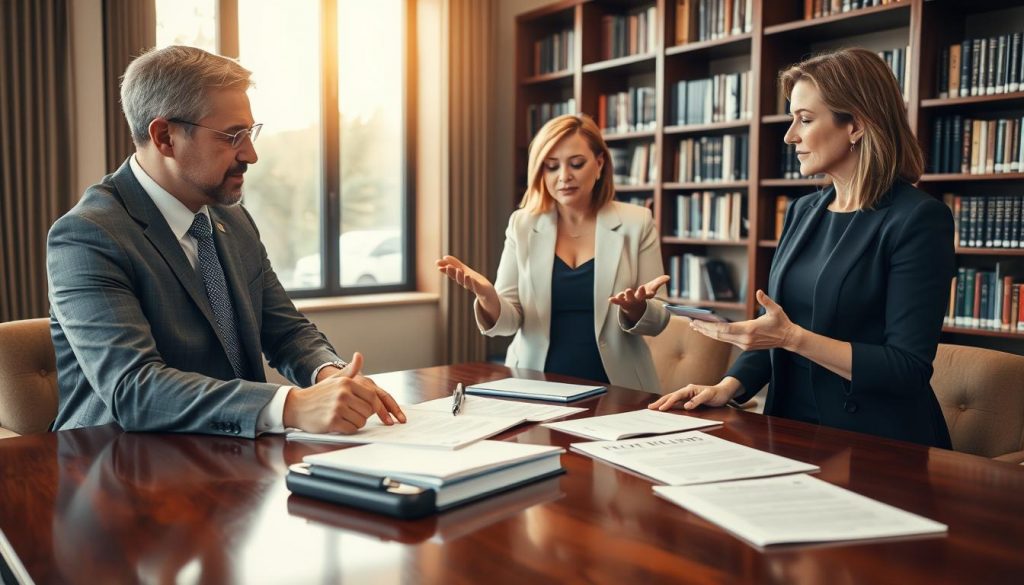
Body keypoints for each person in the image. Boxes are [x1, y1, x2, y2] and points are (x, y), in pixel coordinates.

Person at [47, 45, 405, 437]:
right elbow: (133, 390)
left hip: (232, 454)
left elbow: (286, 331)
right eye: (232, 136)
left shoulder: (231, 218)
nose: (250, 154)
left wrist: (330, 375)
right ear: (165, 137)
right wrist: (290, 405)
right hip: (118, 463)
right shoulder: (87, 236)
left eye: (250, 133)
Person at [651, 48, 954, 448]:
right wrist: (728, 387)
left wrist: (792, 338)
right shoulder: (802, 211)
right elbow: (774, 328)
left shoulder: (918, 219)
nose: (789, 135)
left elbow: (906, 368)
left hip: (877, 443)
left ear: (856, 125)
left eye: (805, 120)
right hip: (787, 428)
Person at [437, 114, 670, 391]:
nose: (564, 177)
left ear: (599, 164)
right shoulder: (522, 224)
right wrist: (488, 296)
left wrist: (638, 309)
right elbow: (508, 323)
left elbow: (659, 320)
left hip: (620, 388)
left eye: (576, 164)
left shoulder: (637, 222)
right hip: (534, 384)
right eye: (551, 166)